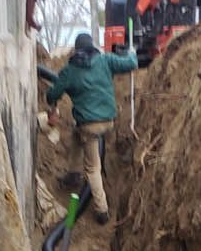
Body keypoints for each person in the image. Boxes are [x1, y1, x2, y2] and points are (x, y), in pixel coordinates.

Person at [45, 31, 138, 223]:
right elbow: (131, 63)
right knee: (75, 136)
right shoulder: (105, 60)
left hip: (89, 125)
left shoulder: (70, 71)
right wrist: (131, 52)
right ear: (93, 47)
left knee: (93, 168)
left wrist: (52, 103)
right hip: (108, 120)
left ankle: (102, 210)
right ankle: (73, 174)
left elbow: (52, 94)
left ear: (77, 50)